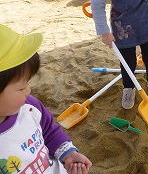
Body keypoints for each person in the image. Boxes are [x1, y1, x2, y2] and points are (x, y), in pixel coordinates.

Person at [0, 24, 92, 174]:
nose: (28, 91)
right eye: (21, 88)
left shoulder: (30, 107)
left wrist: (69, 154)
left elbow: (49, 131)